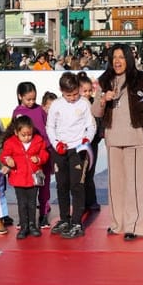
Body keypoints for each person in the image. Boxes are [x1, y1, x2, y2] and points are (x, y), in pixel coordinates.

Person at [93, 44, 143, 240]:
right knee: (115, 184)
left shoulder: (142, 79)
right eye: (114, 57)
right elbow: (96, 112)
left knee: (135, 183)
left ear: (129, 59)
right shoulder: (104, 81)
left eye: (121, 57)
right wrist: (103, 100)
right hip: (113, 137)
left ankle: (134, 226)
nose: (117, 61)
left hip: (136, 136)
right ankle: (117, 224)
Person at [46, 72, 97, 239]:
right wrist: (56, 143)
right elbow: (50, 127)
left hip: (78, 149)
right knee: (62, 185)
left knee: (77, 186)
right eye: (69, 95)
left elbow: (91, 126)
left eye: (75, 93)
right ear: (61, 91)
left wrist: (86, 139)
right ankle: (64, 219)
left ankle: (76, 222)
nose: (73, 98)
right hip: (60, 149)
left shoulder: (84, 104)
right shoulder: (56, 105)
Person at [0, 115, 50, 239]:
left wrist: (39, 159)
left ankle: (32, 225)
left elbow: (44, 153)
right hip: (19, 178)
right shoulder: (10, 142)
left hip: (33, 178)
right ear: (16, 132)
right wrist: (8, 160)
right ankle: (24, 226)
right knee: (22, 203)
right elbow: (4, 155)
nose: (27, 137)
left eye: (29, 134)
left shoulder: (38, 140)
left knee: (32, 203)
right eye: (24, 135)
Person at [12, 82, 53, 228]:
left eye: (34, 99)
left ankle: (43, 214)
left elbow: (48, 126)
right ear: (20, 96)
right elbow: (14, 134)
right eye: (28, 99)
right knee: (26, 188)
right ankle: (25, 218)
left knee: (43, 184)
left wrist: (48, 147)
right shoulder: (17, 113)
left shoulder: (39, 110)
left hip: (42, 154)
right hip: (25, 159)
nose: (31, 102)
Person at [78, 71, 103, 212]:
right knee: (79, 174)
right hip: (77, 144)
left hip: (92, 144)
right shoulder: (74, 104)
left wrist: (97, 136)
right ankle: (80, 202)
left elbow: (99, 121)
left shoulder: (94, 103)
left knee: (89, 172)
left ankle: (91, 200)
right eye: (84, 91)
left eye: (89, 91)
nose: (87, 94)